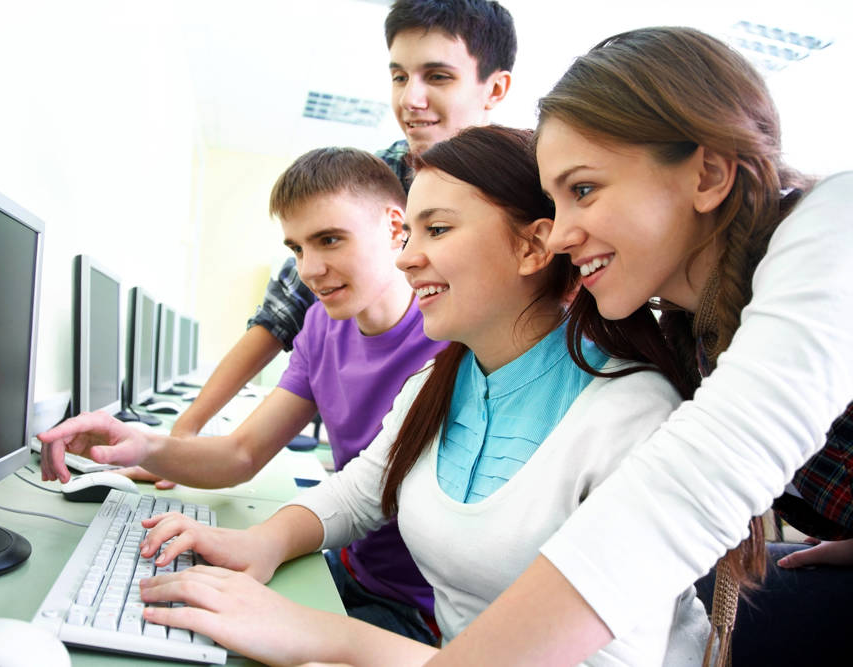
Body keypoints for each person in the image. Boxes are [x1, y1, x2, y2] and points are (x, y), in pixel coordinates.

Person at [122, 126, 711, 666]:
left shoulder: (633, 414)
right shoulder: (441, 380)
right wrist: (259, 542)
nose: (405, 258)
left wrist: (325, 634)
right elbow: (358, 495)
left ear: (532, 248)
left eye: (437, 229)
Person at [522, 26, 852, 666]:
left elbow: (688, 489)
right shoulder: (691, 331)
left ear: (708, 174)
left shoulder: (835, 223)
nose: (561, 233)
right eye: (553, 202)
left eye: (583, 189)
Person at [40, 147, 449, 643]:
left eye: (329, 240)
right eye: (297, 248)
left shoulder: (449, 334)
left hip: (417, 606)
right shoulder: (320, 326)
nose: (310, 269)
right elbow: (243, 452)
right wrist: (141, 444)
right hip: (347, 564)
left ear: (393, 226)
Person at [163, 0, 514, 443]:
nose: (410, 99)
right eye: (399, 77)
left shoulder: (530, 190)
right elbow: (283, 311)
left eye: (438, 76)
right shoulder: (382, 178)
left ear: (495, 89)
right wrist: (185, 430)